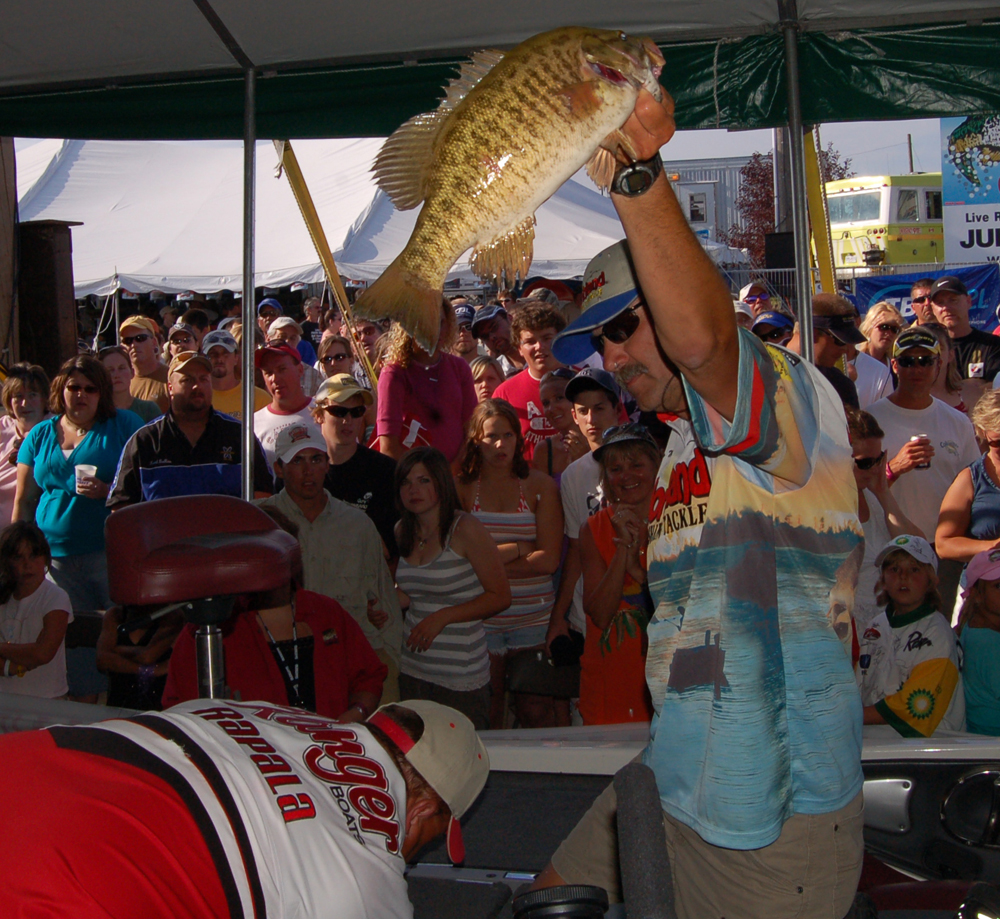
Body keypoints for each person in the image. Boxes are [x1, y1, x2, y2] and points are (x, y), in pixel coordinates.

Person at [536, 86, 864, 919]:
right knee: (550, 899)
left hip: (774, 816)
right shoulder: (679, 441)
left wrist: (638, 177)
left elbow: (707, 342)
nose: (612, 356)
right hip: (676, 776)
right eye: (599, 340)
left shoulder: (785, 393)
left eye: (624, 326)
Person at [0, 698, 488, 919]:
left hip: (26, 764)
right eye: (432, 837)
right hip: (78, 881)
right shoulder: (368, 880)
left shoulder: (262, 711)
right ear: (423, 808)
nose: (413, 856)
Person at [163, 521, 387, 721]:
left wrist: (356, 713)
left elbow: (369, 677)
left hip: (329, 748)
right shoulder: (213, 624)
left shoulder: (326, 612)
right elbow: (179, 708)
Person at [257, 422, 403, 702]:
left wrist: (390, 662)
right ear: (279, 468)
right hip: (284, 663)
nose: (308, 470)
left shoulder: (358, 524)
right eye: (297, 460)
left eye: (316, 459)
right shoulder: (261, 521)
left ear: (327, 464)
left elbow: (385, 601)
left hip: (357, 661)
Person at [456, 399, 562, 728]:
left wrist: (486, 565)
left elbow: (549, 561)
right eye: (491, 436)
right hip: (480, 621)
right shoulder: (462, 488)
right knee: (486, 711)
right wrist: (519, 548)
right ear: (476, 440)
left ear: (518, 438)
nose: (501, 445)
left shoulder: (540, 485)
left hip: (534, 618)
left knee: (536, 709)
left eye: (508, 435)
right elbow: (457, 557)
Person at [14, 355, 144, 613]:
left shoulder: (125, 424)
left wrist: (108, 491)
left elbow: (147, 484)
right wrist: (17, 549)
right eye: (73, 387)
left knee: (121, 624)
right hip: (54, 557)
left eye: (90, 388)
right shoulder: (40, 433)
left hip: (110, 552)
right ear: (60, 389)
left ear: (102, 392)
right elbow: (25, 499)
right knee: (71, 629)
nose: (81, 394)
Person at [395, 447, 510, 731]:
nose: (413, 489)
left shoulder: (465, 528)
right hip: (412, 667)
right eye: (406, 482)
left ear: (441, 483)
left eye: (424, 480)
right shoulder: (402, 530)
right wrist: (381, 605)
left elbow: (500, 596)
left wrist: (443, 617)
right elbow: (413, 592)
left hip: (460, 676)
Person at [869, 326, 980, 614]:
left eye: (925, 361)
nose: (916, 369)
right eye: (907, 361)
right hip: (888, 546)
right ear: (895, 365)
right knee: (886, 629)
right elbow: (854, 486)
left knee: (938, 627)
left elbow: (973, 487)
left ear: (939, 365)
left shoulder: (957, 421)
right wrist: (893, 468)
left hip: (941, 548)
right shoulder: (871, 418)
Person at [107, 352, 273, 507]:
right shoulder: (144, 441)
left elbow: (263, 497)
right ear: (170, 388)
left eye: (203, 379)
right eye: (187, 380)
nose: (196, 386)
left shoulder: (239, 436)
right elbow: (121, 506)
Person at [579, 424, 658, 725]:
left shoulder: (677, 518)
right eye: (616, 469)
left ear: (656, 467)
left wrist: (638, 571)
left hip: (666, 678)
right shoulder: (594, 528)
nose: (626, 476)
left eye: (636, 465)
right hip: (609, 683)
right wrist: (623, 548)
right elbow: (600, 615)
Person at [547, 368, 623, 660]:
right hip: (586, 616)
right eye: (583, 411)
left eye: (599, 408)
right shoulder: (572, 475)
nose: (591, 419)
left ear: (617, 409)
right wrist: (558, 617)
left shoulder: (642, 462)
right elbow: (576, 550)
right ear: (574, 416)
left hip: (637, 610)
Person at [858, 536, 965, 735]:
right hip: (876, 741)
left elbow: (915, 706)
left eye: (914, 569)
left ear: (931, 580)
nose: (903, 576)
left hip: (933, 745)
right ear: (883, 579)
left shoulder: (938, 633)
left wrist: (848, 715)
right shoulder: (876, 626)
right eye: (894, 569)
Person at [847, 408, 925, 629]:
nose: (874, 469)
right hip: (850, 629)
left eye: (879, 459)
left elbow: (916, 549)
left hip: (884, 626)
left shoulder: (874, 497)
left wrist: (883, 494)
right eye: (865, 463)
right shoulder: (825, 506)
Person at [376, 303, 477, 462]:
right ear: (409, 327)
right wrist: (420, 475)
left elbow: (472, 430)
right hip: (412, 473)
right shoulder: (394, 373)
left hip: (458, 472)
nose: (435, 330)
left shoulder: (459, 367)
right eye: (427, 323)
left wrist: (453, 471)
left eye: (441, 322)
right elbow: (388, 447)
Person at [315, 374, 400, 561]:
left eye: (357, 411)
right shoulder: (306, 472)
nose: (348, 419)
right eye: (339, 411)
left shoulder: (384, 471)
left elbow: (391, 550)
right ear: (319, 415)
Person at [0, 521, 72, 699]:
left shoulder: (56, 597)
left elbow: (42, 653)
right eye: (18, 557)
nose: (27, 564)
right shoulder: (3, 597)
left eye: (34, 556)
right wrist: (11, 665)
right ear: (6, 562)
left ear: (46, 558)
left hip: (46, 699)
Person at [492, 302, 568, 462]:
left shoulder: (585, 382)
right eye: (530, 341)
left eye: (547, 338)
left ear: (560, 339)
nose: (539, 346)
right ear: (519, 348)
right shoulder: (504, 393)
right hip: (527, 476)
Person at [936, 389, 1000, 566]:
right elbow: (943, 544)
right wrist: (993, 547)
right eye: (998, 442)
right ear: (983, 432)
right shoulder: (971, 478)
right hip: (986, 579)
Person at [95, 603, 183, 711]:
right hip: (118, 703)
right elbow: (102, 661)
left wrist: (115, 650)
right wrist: (151, 670)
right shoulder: (115, 614)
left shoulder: (171, 616)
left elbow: (147, 657)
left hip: (158, 706)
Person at [254, 340, 324, 469]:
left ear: (300, 370)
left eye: (282, 369)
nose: (275, 378)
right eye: (268, 372)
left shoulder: (324, 412)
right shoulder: (254, 424)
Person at [0, 363, 52, 526]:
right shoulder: (2, 427)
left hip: (36, 530)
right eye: (18, 396)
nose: (24, 403)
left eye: (32, 395)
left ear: (44, 398)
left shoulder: (57, 429)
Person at [956, 547, 1000, 735]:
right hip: (992, 740)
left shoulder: (973, 625)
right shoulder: (987, 642)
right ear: (977, 595)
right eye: (998, 586)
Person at [931, 275, 1000, 385]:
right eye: (940, 303)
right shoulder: (929, 347)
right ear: (933, 309)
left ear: (968, 301)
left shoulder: (992, 345)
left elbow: (993, 388)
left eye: (953, 300)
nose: (946, 308)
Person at [531, 368, 589, 482]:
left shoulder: (602, 441)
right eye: (546, 403)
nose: (551, 408)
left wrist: (587, 459)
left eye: (559, 398)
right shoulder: (544, 451)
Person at [201, 328, 270, 421]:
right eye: (213, 354)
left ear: (236, 358)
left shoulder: (259, 398)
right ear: (203, 358)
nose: (219, 359)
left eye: (225, 354)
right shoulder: (198, 397)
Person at [98, 345, 161, 423]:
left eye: (121, 368)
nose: (116, 375)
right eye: (110, 370)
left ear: (132, 372)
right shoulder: (96, 412)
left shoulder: (149, 409)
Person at [120, 314, 169, 412]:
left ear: (154, 342)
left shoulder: (170, 377)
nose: (134, 344)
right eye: (128, 341)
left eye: (140, 338)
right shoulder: (120, 382)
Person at [471, 304, 524, 376]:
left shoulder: (537, 352)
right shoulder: (495, 373)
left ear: (509, 319)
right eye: (485, 336)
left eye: (494, 327)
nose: (491, 337)